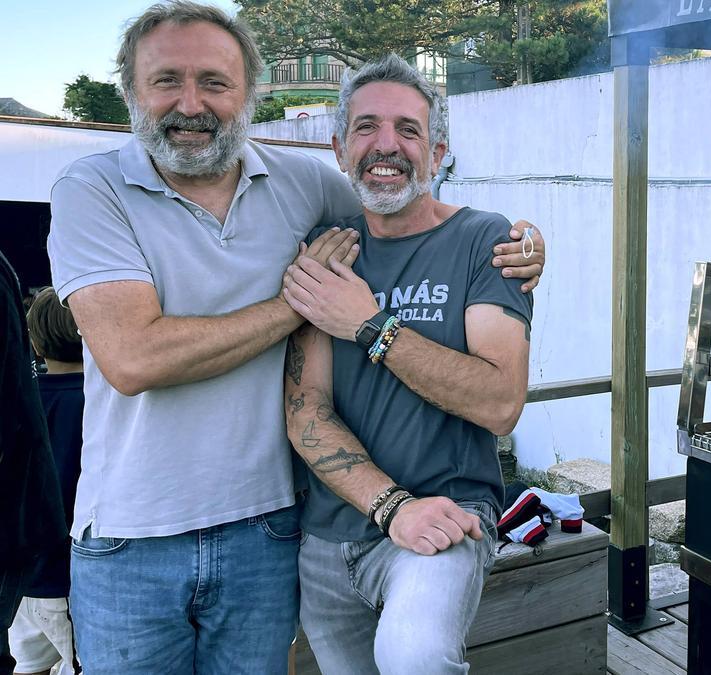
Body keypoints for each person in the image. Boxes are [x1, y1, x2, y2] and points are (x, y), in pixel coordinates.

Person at [45, 2, 545, 672]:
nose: (191, 103)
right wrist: (301, 306)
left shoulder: (304, 186)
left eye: (215, 83)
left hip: (265, 527)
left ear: (247, 94)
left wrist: (521, 247)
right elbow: (135, 357)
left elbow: (406, 215)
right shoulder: (92, 188)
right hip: (134, 538)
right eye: (167, 80)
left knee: (415, 656)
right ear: (133, 89)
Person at [279, 54, 532, 674]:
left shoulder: (484, 239)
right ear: (339, 148)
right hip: (329, 537)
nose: (385, 146)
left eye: (408, 130)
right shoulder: (328, 250)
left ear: (438, 151)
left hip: (445, 521)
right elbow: (306, 411)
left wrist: (370, 326)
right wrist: (391, 507)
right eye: (366, 127)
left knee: (416, 658)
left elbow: (500, 403)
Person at [0, 254, 67, 675]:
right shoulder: (99, 403)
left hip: (29, 584)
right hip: (63, 570)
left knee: (27, 665)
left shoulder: (37, 396)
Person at [10, 288, 83, 675]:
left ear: (34, 342)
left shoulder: (22, 401)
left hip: (22, 576)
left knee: (26, 666)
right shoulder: (101, 404)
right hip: (71, 578)